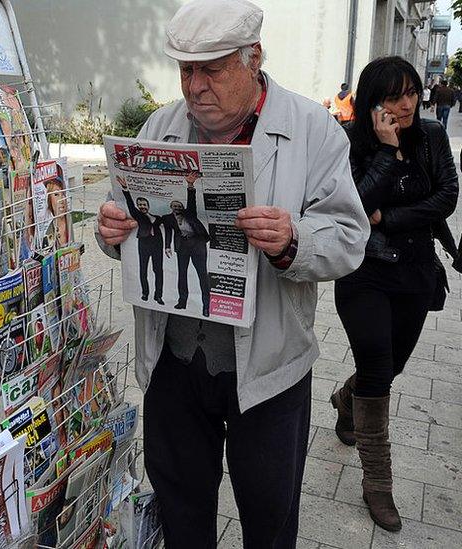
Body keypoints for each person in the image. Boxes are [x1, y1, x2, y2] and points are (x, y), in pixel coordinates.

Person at [95, 1, 369, 545]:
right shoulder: (162, 126)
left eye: (212, 70)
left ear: (253, 59)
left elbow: (349, 238)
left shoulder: (313, 128)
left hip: (268, 369)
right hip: (175, 360)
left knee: (269, 517)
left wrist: (295, 240)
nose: (195, 86)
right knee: (181, 508)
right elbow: (125, 216)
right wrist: (111, 232)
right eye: (186, 70)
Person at [333, 56, 459, 532]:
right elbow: (355, 206)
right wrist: (386, 151)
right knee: (380, 370)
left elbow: (447, 196)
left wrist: (391, 218)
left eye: (410, 93)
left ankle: (347, 400)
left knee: (388, 368)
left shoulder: (431, 136)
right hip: (363, 273)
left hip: (415, 273)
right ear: (371, 103)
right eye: (392, 97)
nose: (405, 105)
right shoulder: (349, 141)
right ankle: (378, 484)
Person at [160, 172, 211, 315]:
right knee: (182, 274)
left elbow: (192, 200)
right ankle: (182, 302)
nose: (177, 208)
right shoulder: (168, 218)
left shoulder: (190, 213)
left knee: (202, 274)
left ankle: (206, 305)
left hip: (197, 245)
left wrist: (190, 185)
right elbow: (168, 232)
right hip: (182, 247)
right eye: (174, 206)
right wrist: (167, 247)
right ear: (171, 208)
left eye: (179, 206)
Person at [119, 191, 166, 305]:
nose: (142, 207)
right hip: (144, 244)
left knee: (158, 271)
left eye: (144, 205)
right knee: (143, 269)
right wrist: (126, 190)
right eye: (140, 205)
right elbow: (130, 205)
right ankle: (145, 293)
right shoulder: (138, 216)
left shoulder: (157, 218)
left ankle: (158, 296)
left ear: (148, 206)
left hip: (157, 245)